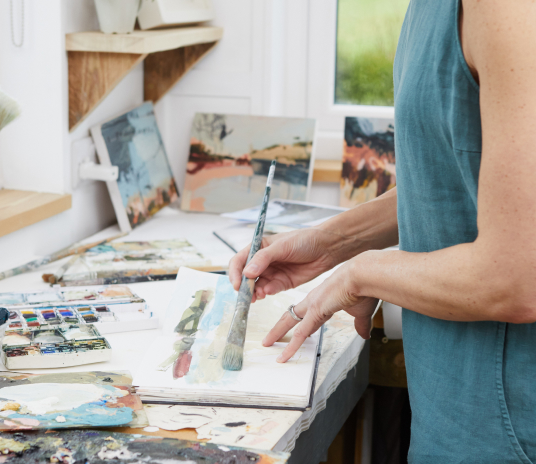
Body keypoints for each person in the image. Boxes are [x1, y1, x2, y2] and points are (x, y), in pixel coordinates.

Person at [229, 0, 536, 462]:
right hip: (449, 400)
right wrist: (332, 242)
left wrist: (363, 274)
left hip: (501, 420)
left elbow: (518, 278)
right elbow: (456, 175)